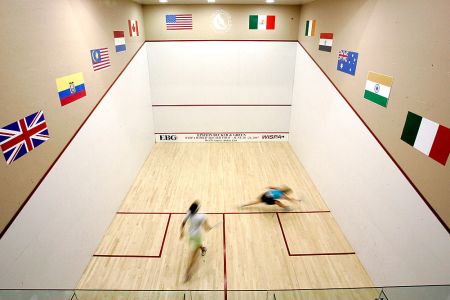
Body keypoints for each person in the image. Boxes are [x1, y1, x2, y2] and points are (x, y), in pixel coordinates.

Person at [180, 201, 212, 282]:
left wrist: (182, 233)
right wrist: (209, 227)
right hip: (197, 236)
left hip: (190, 234)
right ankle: (187, 272)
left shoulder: (188, 213)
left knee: (198, 245)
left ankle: (203, 248)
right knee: (193, 256)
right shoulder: (202, 216)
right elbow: (206, 228)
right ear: (197, 209)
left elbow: (183, 223)